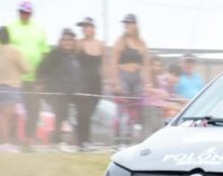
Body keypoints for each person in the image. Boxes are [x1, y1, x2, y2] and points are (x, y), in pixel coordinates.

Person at [7, 2, 50, 148]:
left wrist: (42, 79)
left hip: (34, 79)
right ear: (18, 12)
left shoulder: (39, 28)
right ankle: (12, 139)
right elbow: (1, 47)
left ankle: (29, 140)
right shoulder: (11, 27)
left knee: (34, 110)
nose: (24, 15)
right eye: (22, 12)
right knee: (14, 111)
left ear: (31, 13)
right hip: (15, 79)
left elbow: (45, 53)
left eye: (27, 12)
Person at [0, 26, 29, 152]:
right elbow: (26, 68)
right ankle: (5, 143)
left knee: (2, 115)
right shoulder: (15, 50)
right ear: (9, 36)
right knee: (7, 116)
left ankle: (3, 141)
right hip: (11, 86)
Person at [37, 29, 82, 149]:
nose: (68, 42)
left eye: (70, 40)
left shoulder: (74, 55)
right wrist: (41, 84)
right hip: (57, 92)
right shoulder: (55, 54)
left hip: (72, 92)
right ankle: (56, 142)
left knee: (66, 117)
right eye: (65, 40)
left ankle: (66, 142)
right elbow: (42, 68)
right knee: (60, 116)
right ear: (61, 41)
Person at [109, 14, 149, 141]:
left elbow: (145, 64)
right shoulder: (120, 41)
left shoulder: (141, 42)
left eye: (130, 23)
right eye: (126, 23)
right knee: (122, 107)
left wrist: (147, 83)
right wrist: (117, 82)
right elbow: (114, 63)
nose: (127, 26)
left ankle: (128, 136)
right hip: (123, 75)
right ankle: (118, 136)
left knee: (135, 108)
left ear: (135, 25)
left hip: (136, 76)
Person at [75, 16, 105, 150]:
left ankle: (83, 139)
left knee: (90, 111)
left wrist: (105, 80)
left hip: (96, 81)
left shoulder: (100, 44)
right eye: (83, 27)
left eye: (87, 26)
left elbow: (103, 64)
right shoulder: (79, 43)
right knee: (84, 112)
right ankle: (84, 141)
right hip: (83, 80)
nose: (85, 29)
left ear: (93, 28)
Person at [142, 56, 174, 136]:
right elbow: (147, 90)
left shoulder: (162, 78)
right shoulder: (147, 77)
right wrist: (159, 92)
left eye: (159, 65)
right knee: (149, 132)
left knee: (158, 131)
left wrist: (156, 91)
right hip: (150, 107)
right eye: (155, 65)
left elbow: (166, 95)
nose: (157, 67)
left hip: (160, 108)